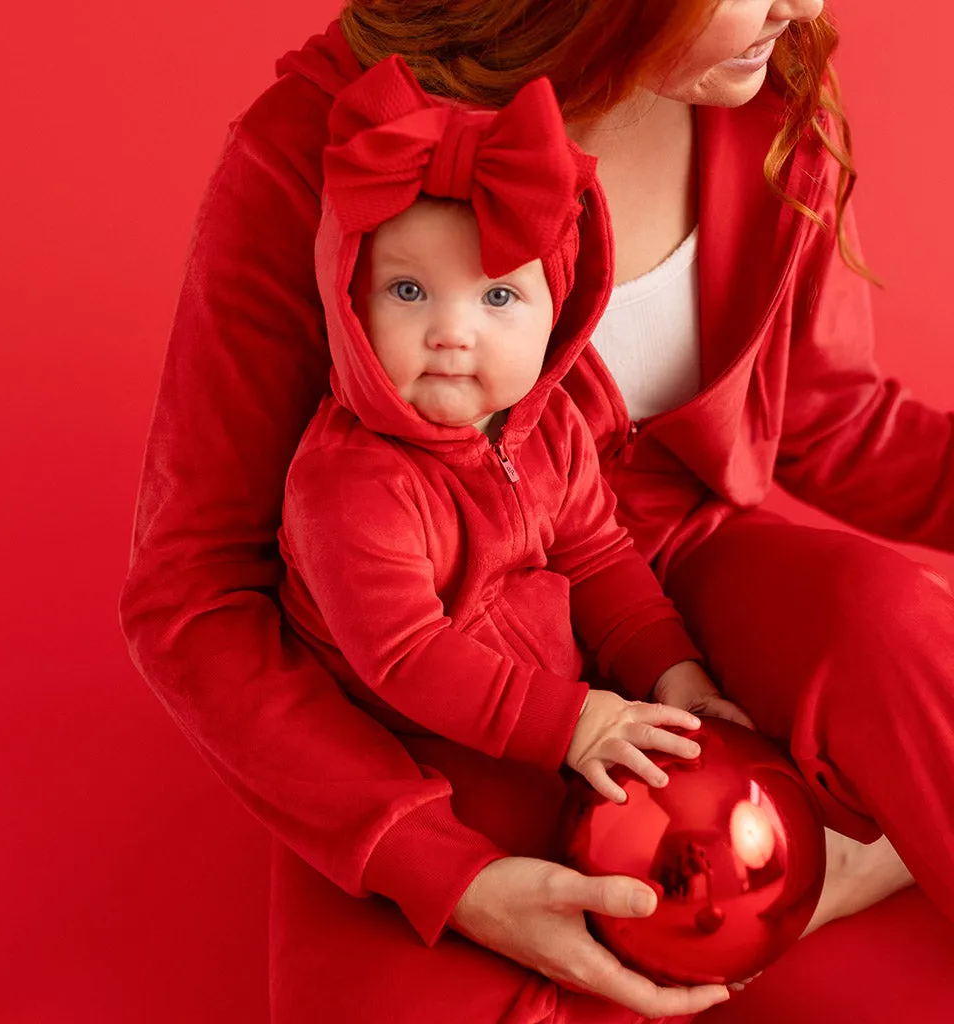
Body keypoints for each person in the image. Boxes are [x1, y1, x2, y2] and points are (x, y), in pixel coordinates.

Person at [119, 1, 954, 1021]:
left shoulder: (762, 76)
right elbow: (194, 592)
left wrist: (665, 659)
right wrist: (438, 866)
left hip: (665, 584)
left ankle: (774, 877)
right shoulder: (332, 136)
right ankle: (806, 866)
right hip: (416, 690)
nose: (803, 5)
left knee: (892, 622)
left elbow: (831, 419)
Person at [278, 56, 726, 810]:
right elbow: (406, 656)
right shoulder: (348, 482)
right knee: (545, 856)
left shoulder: (547, 427)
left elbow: (596, 557)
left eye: (498, 295)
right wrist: (571, 721)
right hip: (421, 746)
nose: (452, 332)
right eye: (409, 291)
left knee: (689, 795)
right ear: (348, 303)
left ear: (557, 313)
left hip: (556, 713)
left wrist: (669, 668)